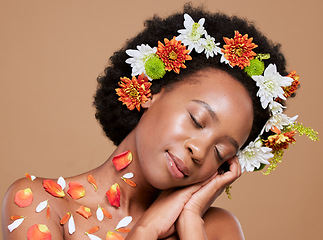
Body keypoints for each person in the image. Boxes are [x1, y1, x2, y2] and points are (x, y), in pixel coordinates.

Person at [2, 4, 317, 240]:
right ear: (151, 91)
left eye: (220, 152)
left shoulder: (216, 229)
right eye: (196, 119)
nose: (199, 150)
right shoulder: (39, 203)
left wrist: (190, 217)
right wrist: (147, 229)